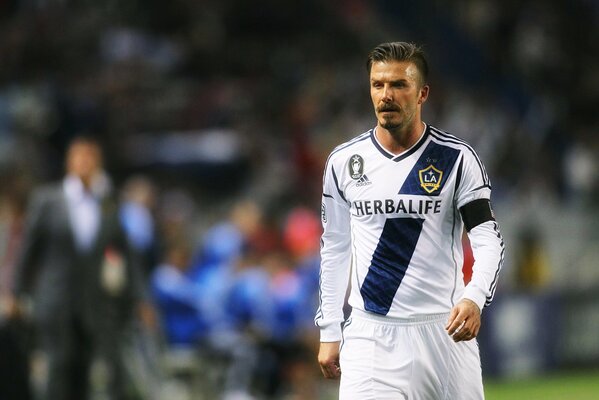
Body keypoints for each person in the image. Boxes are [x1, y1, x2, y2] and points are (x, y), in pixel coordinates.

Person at [315, 42, 505, 399]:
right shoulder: (344, 162)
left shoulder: (457, 160)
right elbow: (335, 248)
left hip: (445, 333)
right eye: (378, 84)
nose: (386, 95)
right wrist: (329, 329)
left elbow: (487, 238)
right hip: (372, 336)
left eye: (399, 84)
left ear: (422, 93)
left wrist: (475, 297)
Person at [10, 136, 148, 400]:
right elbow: (28, 251)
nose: (85, 162)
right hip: (55, 300)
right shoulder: (47, 200)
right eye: (79, 156)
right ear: (69, 162)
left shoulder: (107, 203)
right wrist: (16, 292)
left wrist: (140, 295)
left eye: (91, 157)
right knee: (58, 367)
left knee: (84, 371)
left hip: (93, 301)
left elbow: (126, 253)